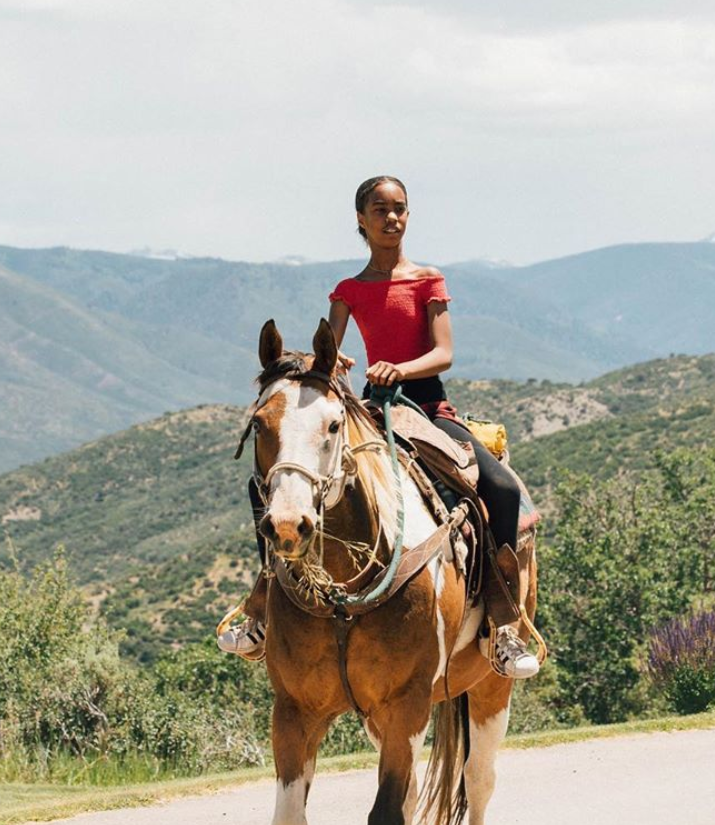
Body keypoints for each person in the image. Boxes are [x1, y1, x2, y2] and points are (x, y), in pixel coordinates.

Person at [218, 176, 540, 678]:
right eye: (380, 209)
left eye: (400, 209)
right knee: (281, 482)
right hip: (371, 407)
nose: (392, 218)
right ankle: (264, 598)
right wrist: (338, 362)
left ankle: (502, 622)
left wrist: (400, 368)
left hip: (428, 408)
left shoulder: (427, 279)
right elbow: (330, 353)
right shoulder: (348, 291)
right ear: (361, 220)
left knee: (498, 485)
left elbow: (444, 353)